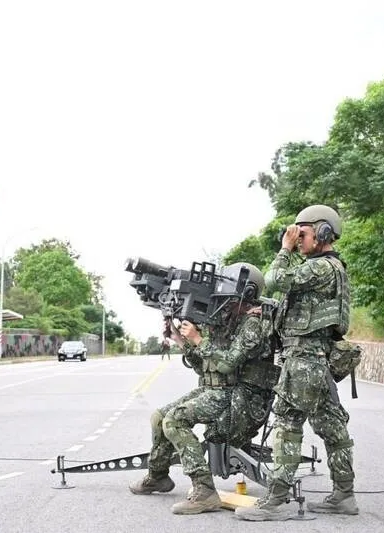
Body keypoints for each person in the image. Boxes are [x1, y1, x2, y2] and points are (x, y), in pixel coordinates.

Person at [235, 204, 359, 521]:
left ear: (324, 232)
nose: (297, 239)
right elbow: (297, 307)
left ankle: (275, 502)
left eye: (302, 233)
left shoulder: (322, 268)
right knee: (332, 425)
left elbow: (277, 278)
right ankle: (344, 495)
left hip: (305, 359)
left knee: (288, 424)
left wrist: (284, 250)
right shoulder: (324, 269)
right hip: (315, 358)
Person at [128, 263, 273, 515]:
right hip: (214, 389)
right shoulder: (221, 320)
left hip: (239, 398)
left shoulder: (253, 323)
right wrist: (180, 339)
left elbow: (227, 364)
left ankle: (204, 491)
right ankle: (158, 476)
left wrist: (197, 339)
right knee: (159, 417)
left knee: (174, 421)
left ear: (246, 293)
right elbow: (203, 366)